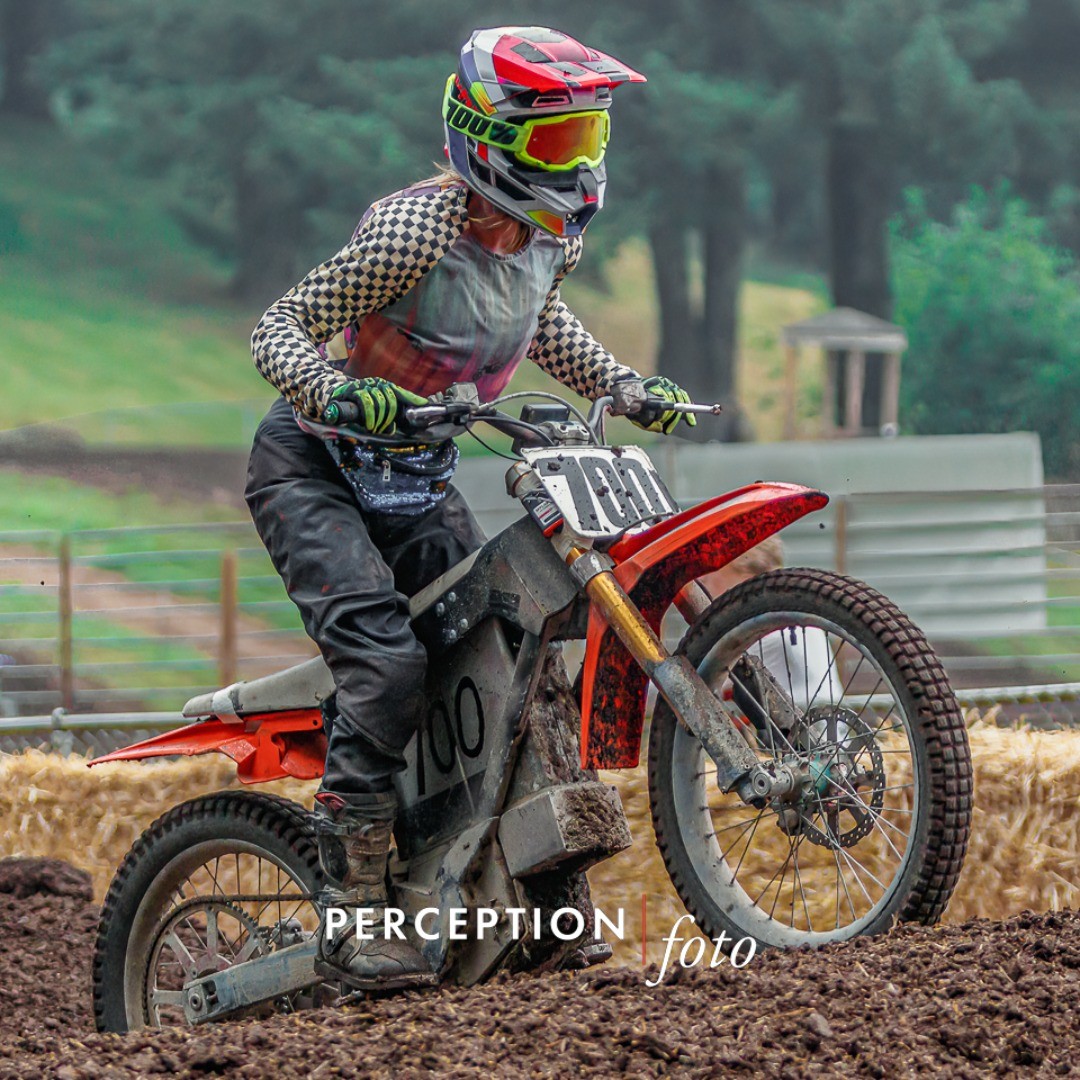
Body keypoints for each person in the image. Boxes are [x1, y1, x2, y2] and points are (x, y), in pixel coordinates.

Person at [245, 26, 694, 991]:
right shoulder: (415, 232)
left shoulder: (551, 235)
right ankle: (354, 908)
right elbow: (278, 324)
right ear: (486, 136)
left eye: (589, 141)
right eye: (558, 145)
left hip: (416, 481)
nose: (579, 166)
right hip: (316, 473)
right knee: (388, 665)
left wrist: (621, 385)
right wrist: (329, 390)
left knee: (506, 655)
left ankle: (533, 894)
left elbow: (540, 322)